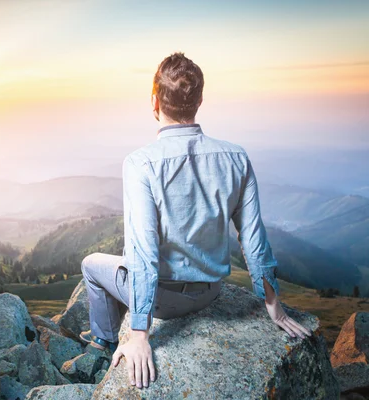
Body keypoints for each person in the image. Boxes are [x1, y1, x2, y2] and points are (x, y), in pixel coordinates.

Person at [79, 52, 312, 390]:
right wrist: (274, 307)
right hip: (210, 293)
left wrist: (140, 333)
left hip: (163, 302)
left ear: (154, 100)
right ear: (200, 100)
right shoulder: (236, 157)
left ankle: (101, 343)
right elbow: (254, 239)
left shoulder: (140, 163)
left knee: (90, 264)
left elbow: (143, 253)